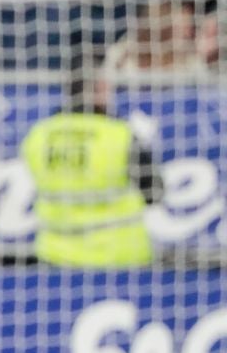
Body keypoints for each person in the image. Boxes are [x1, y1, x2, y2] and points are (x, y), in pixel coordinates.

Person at [20, 68, 158, 269]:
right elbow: (154, 192)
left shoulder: (40, 134)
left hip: (55, 256)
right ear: (100, 90)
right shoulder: (118, 135)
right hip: (119, 259)